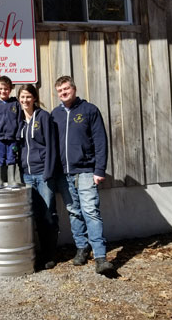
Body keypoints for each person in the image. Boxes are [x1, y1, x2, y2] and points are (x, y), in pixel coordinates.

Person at [51, 75, 114, 274]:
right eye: (60, 91)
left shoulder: (89, 110)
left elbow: (100, 141)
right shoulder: (55, 115)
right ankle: (81, 248)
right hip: (64, 173)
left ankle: (101, 256)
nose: (63, 93)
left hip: (86, 171)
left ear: (74, 89)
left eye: (66, 89)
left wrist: (99, 170)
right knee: (74, 212)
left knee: (91, 212)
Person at [16, 84, 58, 270]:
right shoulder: (20, 121)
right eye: (22, 97)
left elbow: (51, 145)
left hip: (43, 173)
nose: (25, 100)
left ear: (34, 98)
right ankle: (40, 252)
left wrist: (48, 171)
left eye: (28, 97)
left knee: (48, 213)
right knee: (36, 215)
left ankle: (50, 254)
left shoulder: (44, 117)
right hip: (27, 175)